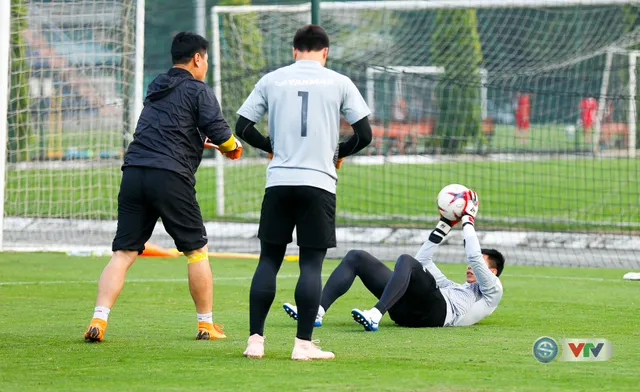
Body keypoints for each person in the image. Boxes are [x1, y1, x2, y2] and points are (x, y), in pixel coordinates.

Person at [83, 32, 242, 343]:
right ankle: (206, 324)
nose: (206, 65)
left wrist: (197, 141)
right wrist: (232, 146)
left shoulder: (156, 86)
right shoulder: (199, 90)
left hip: (134, 171)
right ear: (198, 59)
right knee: (196, 252)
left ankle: (98, 319)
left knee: (124, 252)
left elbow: (169, 125)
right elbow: (221, 133)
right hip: (169, 176)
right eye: (206, 59)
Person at [234, 24, 373, 360]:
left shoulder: (273, 79)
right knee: (311, 265)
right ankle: (302, 345)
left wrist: (271, 146)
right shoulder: (339, 82)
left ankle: (255, 341)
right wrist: (338, 152)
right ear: (325, 52)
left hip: (279, 181)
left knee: (269, 259)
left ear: (294, 51)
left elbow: (241, 127)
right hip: (319, 183)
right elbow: (365, 134)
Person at [283, 190, 505, 331]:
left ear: (493, 271)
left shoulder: (492, 291)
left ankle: (375, 314)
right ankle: (316, 312)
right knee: (356, 257)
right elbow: (423, 261)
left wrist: (468, 219)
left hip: (436, 314)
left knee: (406, 260)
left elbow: (474, 257)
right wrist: (444, 225)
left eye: (483, 264)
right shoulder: (456, 288)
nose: (470, 266)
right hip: (408, 311)